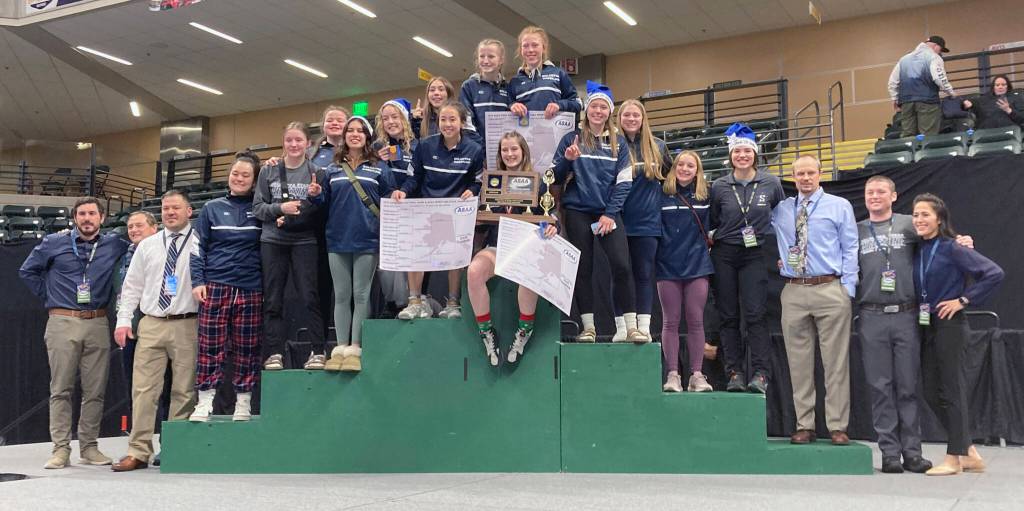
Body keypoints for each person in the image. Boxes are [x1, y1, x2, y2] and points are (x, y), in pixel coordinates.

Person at [19, 197, 129, 469]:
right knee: (61, 388)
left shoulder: (114, 244)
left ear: (102, 217)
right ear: (74, 217)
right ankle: (60, 449)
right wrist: (51, 297)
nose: (87, 218)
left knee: (95, 389)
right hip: (62, 321)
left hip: (97, 322)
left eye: (92, 213)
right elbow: (27, 271)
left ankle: (90, 447)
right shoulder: (54, 243)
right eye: (81, 214)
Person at [911, 193, 1003, 476]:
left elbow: (994, 273)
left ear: (939, 218)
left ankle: (954, 458)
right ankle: (969, 451)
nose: (919, 220)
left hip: (950, 325)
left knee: (952, 390)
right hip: (926, 325)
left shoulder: (953, 248)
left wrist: (963, 300)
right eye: (915, 215)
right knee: (929, 390)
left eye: (925, 214)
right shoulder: (918, 249)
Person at [771, 155, 858, 446]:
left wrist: (847, 288)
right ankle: (804, 424)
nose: (805, 178)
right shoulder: (782, 209)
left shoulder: (839, 206)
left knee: (835, 362)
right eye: (799, 174)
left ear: (820, 174)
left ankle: (837, 425)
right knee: (798, 363)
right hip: (794, 290)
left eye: (810, 172)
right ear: (792, 177)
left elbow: (850, 246)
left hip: (829, 287)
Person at [112, 190, 200, 472]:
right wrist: (124, 320)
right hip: (150, 322)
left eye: (176, 208)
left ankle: (174, 448)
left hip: (188, 322)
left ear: (189, 211)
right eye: (165, 209)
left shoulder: (200, 243)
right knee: (143, 390)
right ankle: (138, 451)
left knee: (183, 390)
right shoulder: (147, 246)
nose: (170, 213)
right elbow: (132, 286)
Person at [553, 81, 645, 343]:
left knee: (621, 265)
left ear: (609, 112)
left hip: (608, 213)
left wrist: (609, 213)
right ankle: (589, 328)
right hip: (578, 211)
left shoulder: (619, 144)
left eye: (603, 108)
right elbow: (555, 178)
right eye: (594, 106)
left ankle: (630, 327)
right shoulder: (571, 139)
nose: (598, 111)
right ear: (587, 110)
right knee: (584, 268)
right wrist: (566, 161)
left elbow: (624, 182)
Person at [858, 175, 934, 473]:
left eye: (880, 192)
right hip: (871, 315)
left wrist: (960, 240)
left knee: (907, 386)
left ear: (893, 196)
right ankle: (889, 453)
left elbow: (936, 237)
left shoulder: (908, 224)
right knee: (880, 387)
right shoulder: (857, 230)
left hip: (906, 314)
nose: (874, 196)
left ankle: (912, 452)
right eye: (869, 192)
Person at [468, 131, 558, 366]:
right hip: (496, 247)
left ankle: (524, 331)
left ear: (523, 151)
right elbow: (481, 225)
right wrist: (476, 223)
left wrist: (551, 227)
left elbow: (550, 215)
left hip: (525, 249)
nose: (509, 154)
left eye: (514, 149)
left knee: (529, 274)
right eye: (504, 150)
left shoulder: (538, 182)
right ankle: (487, 332)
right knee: (474, 271)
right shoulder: (491, 183)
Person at [708, 123, 785, 393]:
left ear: (755, 154)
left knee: (755, 314)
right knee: (728, 316)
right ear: (731, 155)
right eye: (737, 151)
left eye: (747, 151)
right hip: (725, 253)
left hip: (754, 254)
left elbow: (782, 219)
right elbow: (714, 220)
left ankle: (761, 374)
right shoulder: (718, 186)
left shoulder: (772, 183)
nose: (742, 155)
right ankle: (734, 373)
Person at [188, 151, 263, 423]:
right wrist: (198, 282)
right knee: (210, 347)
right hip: (215, 287)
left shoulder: (261, 209)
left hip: (250, 287)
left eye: (245, 175)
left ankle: (243, 402)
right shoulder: (211, 208)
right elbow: (197, 249)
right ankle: (204, 402)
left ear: (254, 180)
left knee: (247, 348)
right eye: (235, 173)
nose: (239, 178)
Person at [392, 100, 484, 320]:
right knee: (418, 255)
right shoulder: (425, 145)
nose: (447, 124)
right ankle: (414, 301)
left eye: (453, 119)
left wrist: (472, 191)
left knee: (456, 258)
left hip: (455, 213)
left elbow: (477, 181)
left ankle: (453, 303)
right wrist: (403, 191)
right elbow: (413, 178)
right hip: (427, 210)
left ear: (462, 123)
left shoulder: (474, 149)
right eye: (443, 119)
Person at [320, 116, 392, 372]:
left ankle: (356, 348)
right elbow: (323, 204)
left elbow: (389, 200)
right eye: (350, 130)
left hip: (367, 238)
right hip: (337, 239)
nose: (354, 134)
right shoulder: (332, 169)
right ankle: (339, 348)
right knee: (341, 294)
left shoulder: (380, 168)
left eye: (360, 131)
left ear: (367, 137)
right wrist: (316, 195)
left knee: (361, 293)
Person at [253, 121, 325, 371]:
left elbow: (320, 211)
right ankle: (274, 352)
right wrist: (280, 209)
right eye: (289, 140)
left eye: (298, 140)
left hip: (304, 240)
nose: (294, 145)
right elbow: (258, 208)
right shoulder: (268, 170)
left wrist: (306, 206)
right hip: (273, 241)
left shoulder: (318, 172)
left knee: (309, 295)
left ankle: (317, 350)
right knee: (273, 298)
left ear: (308, 143)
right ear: (283, 142)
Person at [656, 151, 713, 393]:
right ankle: (672, 375)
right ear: (674, 167)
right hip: (667, 266)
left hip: (697, 265)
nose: (685, 169)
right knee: (670, 321)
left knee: (696, 321)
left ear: (697, 170)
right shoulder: (660, 194)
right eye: (681, 164)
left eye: (691, 165)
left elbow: (712, 228)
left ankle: (697, 375)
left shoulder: (706, 196)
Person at [617, 98, 672, 340]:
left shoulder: (658, 146)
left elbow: (672, 180)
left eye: (635, 115)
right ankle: (622, 328)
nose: (631, 119)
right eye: (626, 115)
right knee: (619, 274)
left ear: (643, 119)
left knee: (643, 275)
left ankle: (645, 328)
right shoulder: (611, 145)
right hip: (617, 221)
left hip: (648, 223)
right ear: (619, 119)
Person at [373, 98, 417, 317]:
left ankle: (413, 300)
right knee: (387, 261)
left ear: (404, 118)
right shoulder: (376, 148)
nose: (391, 122)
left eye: (395, 116)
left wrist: (405, 191)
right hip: (386, 212)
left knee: (410, 258)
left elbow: (417, 175)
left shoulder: (418, 144)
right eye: (386, 118)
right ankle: (392, 303)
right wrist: (377, 161)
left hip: (410, 209)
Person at [116, 211, 159, 405]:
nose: (133, 230)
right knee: (133, 383)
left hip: (158, 326)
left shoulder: (166, 251)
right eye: (130, 227)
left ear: (154, 227)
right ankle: (138, 430)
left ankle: (164, 430)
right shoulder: (122, 257)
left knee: (162, 383)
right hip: (130, 328)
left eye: (139, 225)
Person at [887, 35, 956, 137]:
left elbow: (892, 82)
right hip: (927, 100)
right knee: (928, 135)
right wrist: (951, 92)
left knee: (907, 134)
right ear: (936, 46)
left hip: (906, 102)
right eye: (940, 50)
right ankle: (926, 153)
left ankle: (907, 151)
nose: (940, 53)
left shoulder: (904, 59)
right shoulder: (934, 57)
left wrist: (894, 98)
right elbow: (939, 78)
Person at [507, 25, 581, 119]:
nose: (530, 50)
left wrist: (559, 105)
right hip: (525, 133)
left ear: (544, 48)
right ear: (521, 50)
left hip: (556, 132)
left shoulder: (558, 74)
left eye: (535, 45)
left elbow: (577, 104)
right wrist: (512, 106)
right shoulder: (514, 82)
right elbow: (506, 107)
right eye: (525, 46)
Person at [459, 39, 510, 145]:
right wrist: (479, 148)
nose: (486, 61)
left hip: (504, 149)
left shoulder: (508, 87)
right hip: (477, 148)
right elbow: (466, 120)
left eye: (491, 56)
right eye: (482, 56)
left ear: (501, 60)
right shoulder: (468, 86)